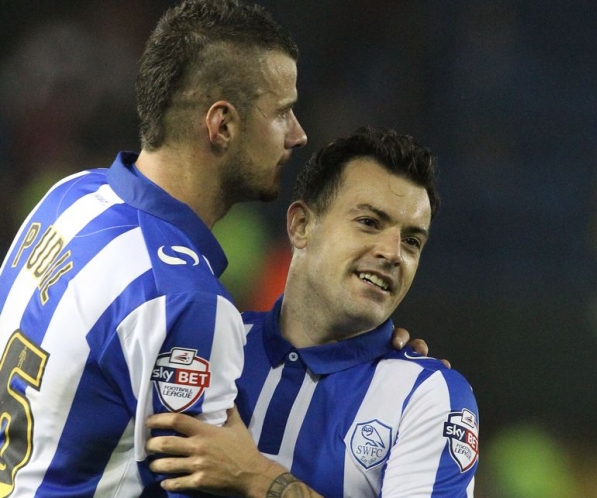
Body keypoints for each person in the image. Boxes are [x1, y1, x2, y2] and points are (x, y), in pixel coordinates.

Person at [0, 2, 425, 496]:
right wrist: (262, 480)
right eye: (281, 113)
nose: (298, 134)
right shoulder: (186, 302)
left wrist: (361, 354)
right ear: (221, 125)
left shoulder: (68, 197)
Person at [146, 127, 479, 497]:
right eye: (369, 223)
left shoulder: (424, 396)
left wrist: (256, 477)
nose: (392, 253)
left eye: (412, 241)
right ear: (301, 225)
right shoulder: (204, 347)